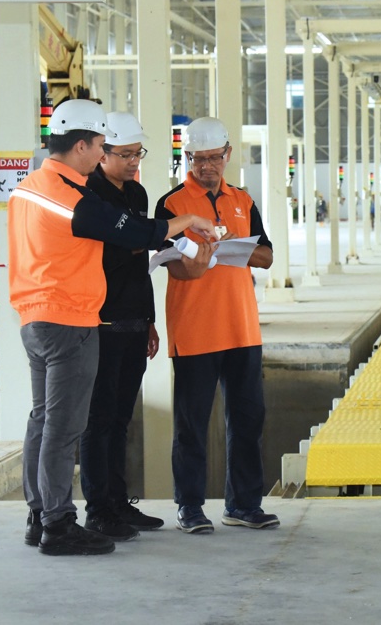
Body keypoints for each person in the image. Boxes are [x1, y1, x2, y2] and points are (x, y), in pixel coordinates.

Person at [10, 99, 217, 556]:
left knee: (44, 419)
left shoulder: (29, 187)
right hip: (69, 320)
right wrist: (187, 220)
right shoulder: (68, 196)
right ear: (83, 146)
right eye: (103, 146)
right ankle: (58, 524)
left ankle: (39, 516)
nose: (106, 154)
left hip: (36, 317)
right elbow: (131, 232)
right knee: (65, 427)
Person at [154, 116, 279, 534]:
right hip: (195, 330)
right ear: (186, 157)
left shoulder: (243, 200)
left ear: (227, 154)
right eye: (197, 159)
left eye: (213, 158)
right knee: (191, 424)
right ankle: (189, 507)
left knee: (248, 419)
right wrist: (202, 260)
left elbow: (266, 256)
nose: (206, 166)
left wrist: (233, 248)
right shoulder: (172, 205)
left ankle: (244, 504)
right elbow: (175, 268)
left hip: (242, 328)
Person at [78, 111, 165, 542]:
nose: (134, 162)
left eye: (138, 154)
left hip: (133, 320)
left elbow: (139, 259)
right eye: (126, 154)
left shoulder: (137, 193)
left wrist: (149, 320)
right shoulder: (90, 195)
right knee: (99, 420)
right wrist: (136, 242)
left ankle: (118, 502)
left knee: (121, 418)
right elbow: (106, 257)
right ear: (102, 152)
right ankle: (97, 510)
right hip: (102, 322)